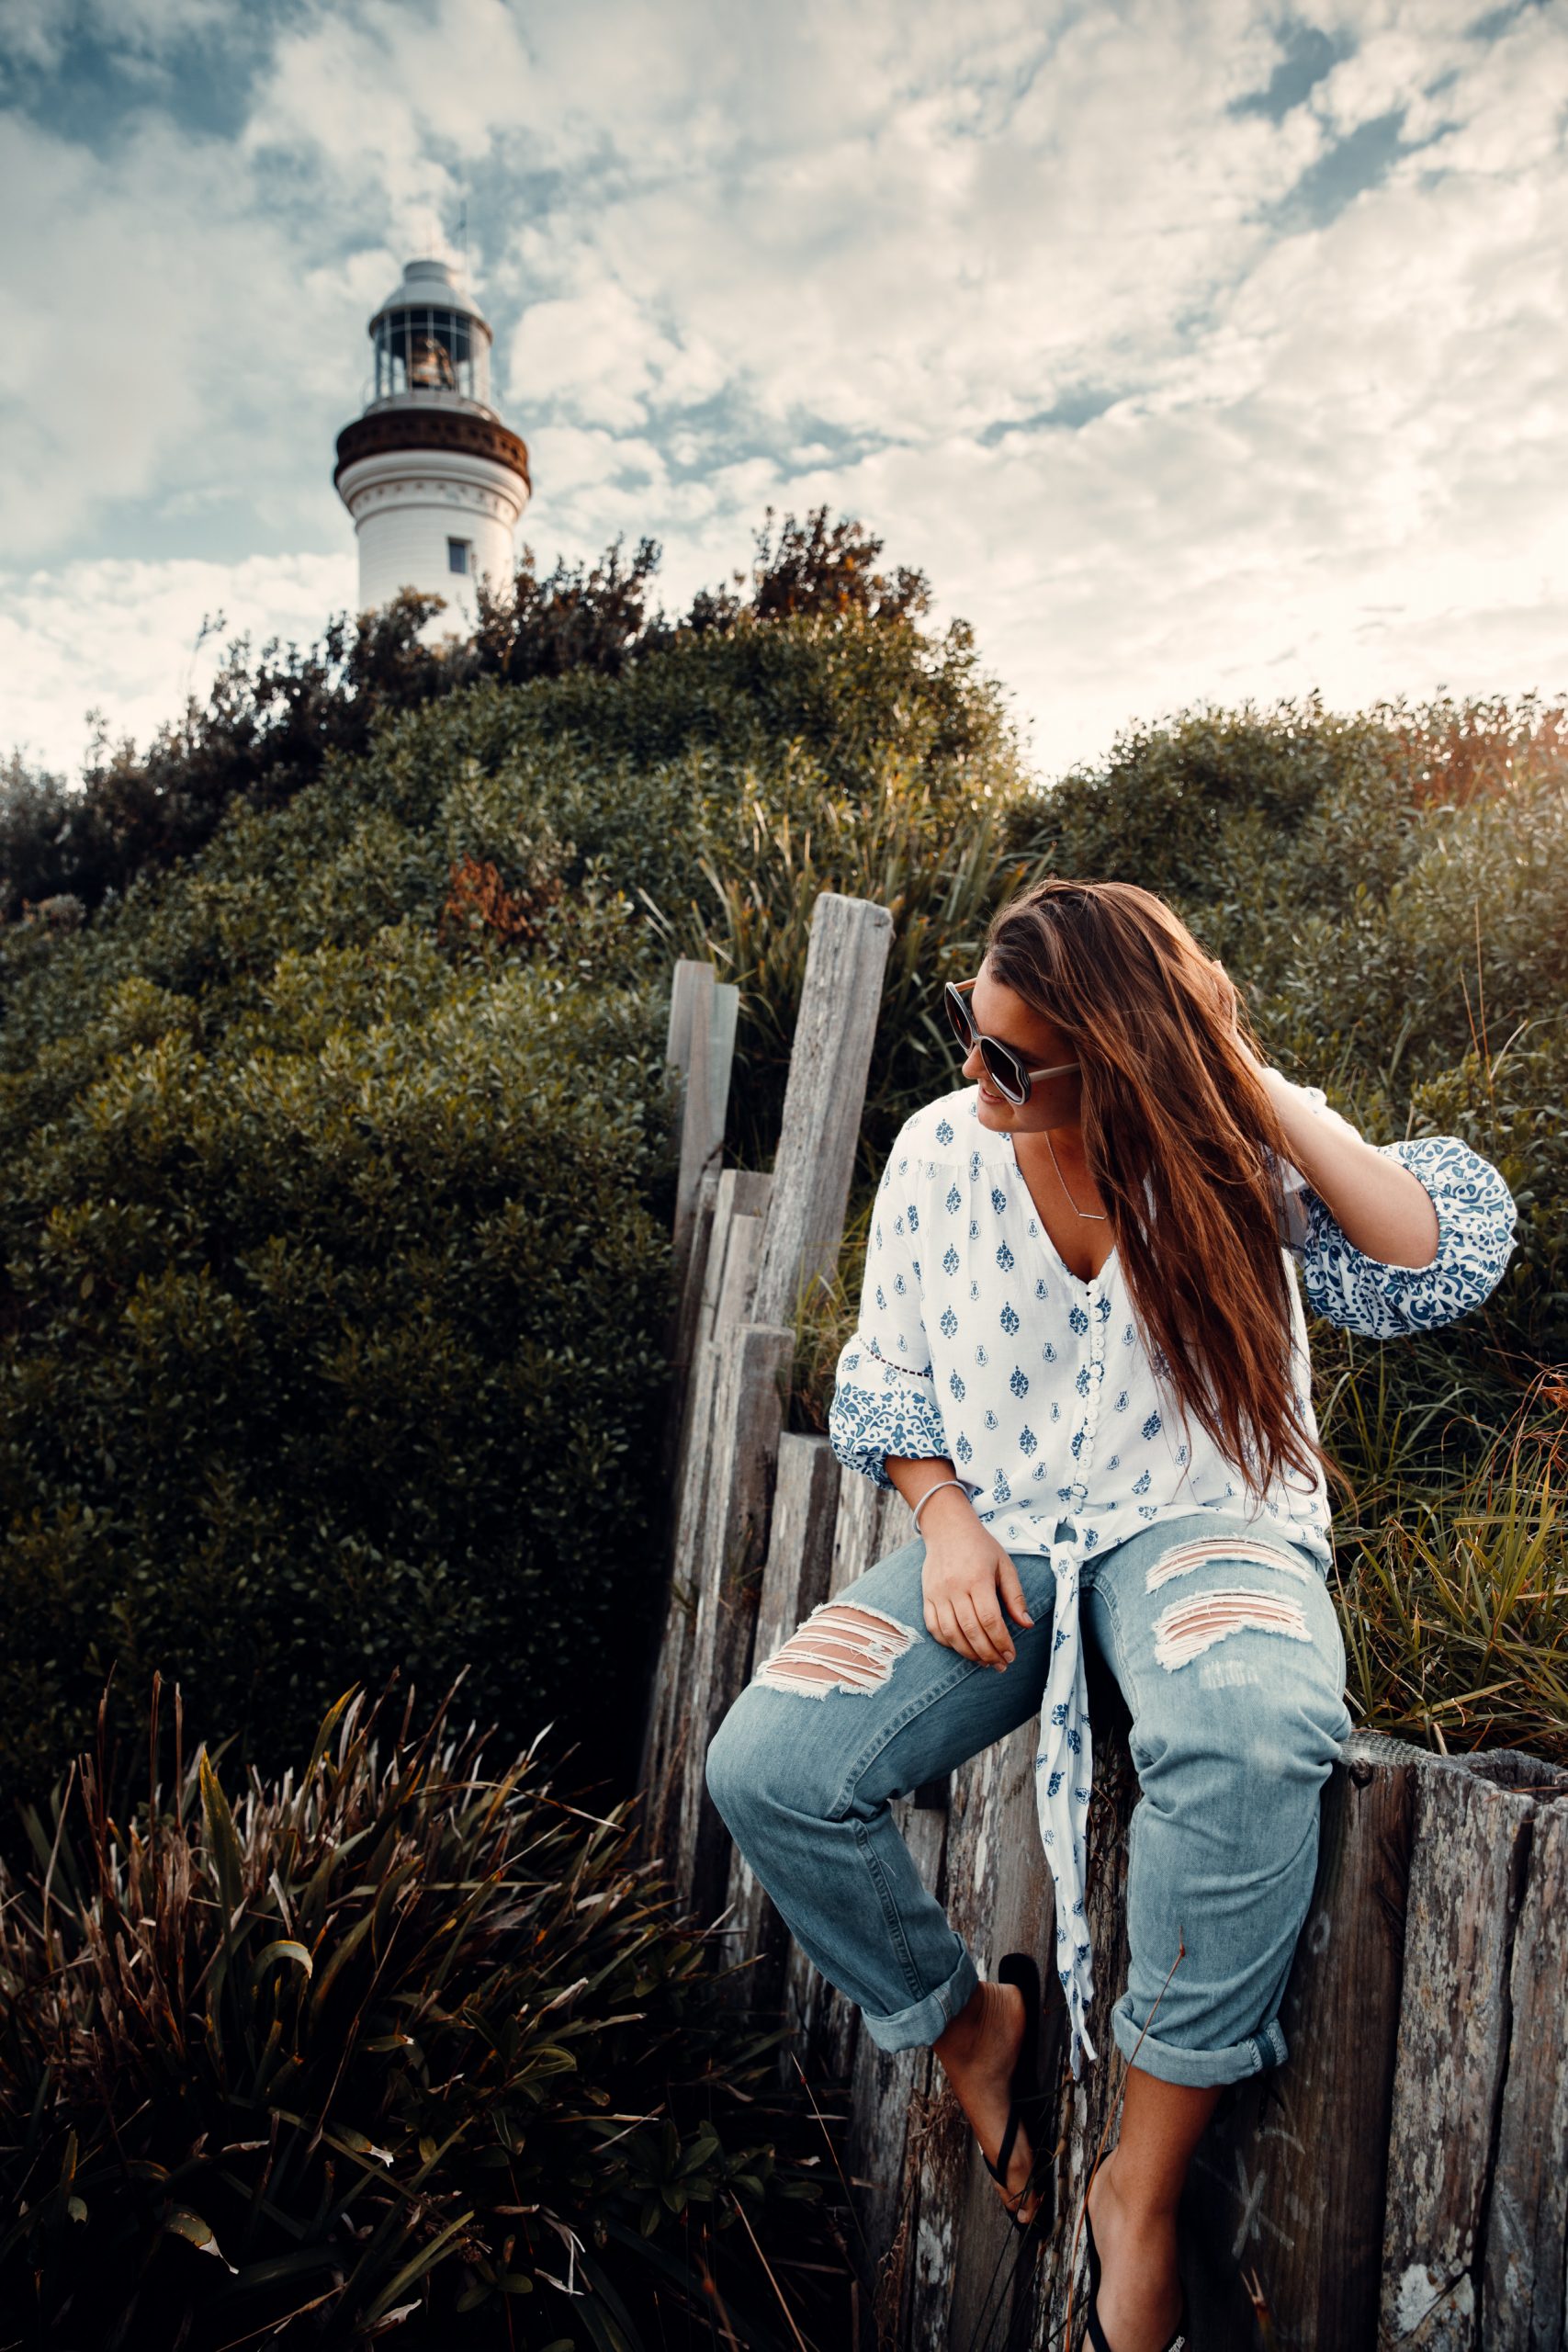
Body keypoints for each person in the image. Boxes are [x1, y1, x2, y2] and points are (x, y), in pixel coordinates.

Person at [706, 878, 1518, 2348]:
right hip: (1006, 1537)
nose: (973, 1073)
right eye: (972, 1033)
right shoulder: (940, 1153)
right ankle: (972, 2029)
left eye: (1011, 1058)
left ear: (1119, 1055)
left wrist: (1247, 1084)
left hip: (1210, 1523)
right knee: (766, 1769)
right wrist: (944, 1521)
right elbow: (885, 1378)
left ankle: (1133, 2195)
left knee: (1251, 1728)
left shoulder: (1220, 1150)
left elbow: (1433, 1257)